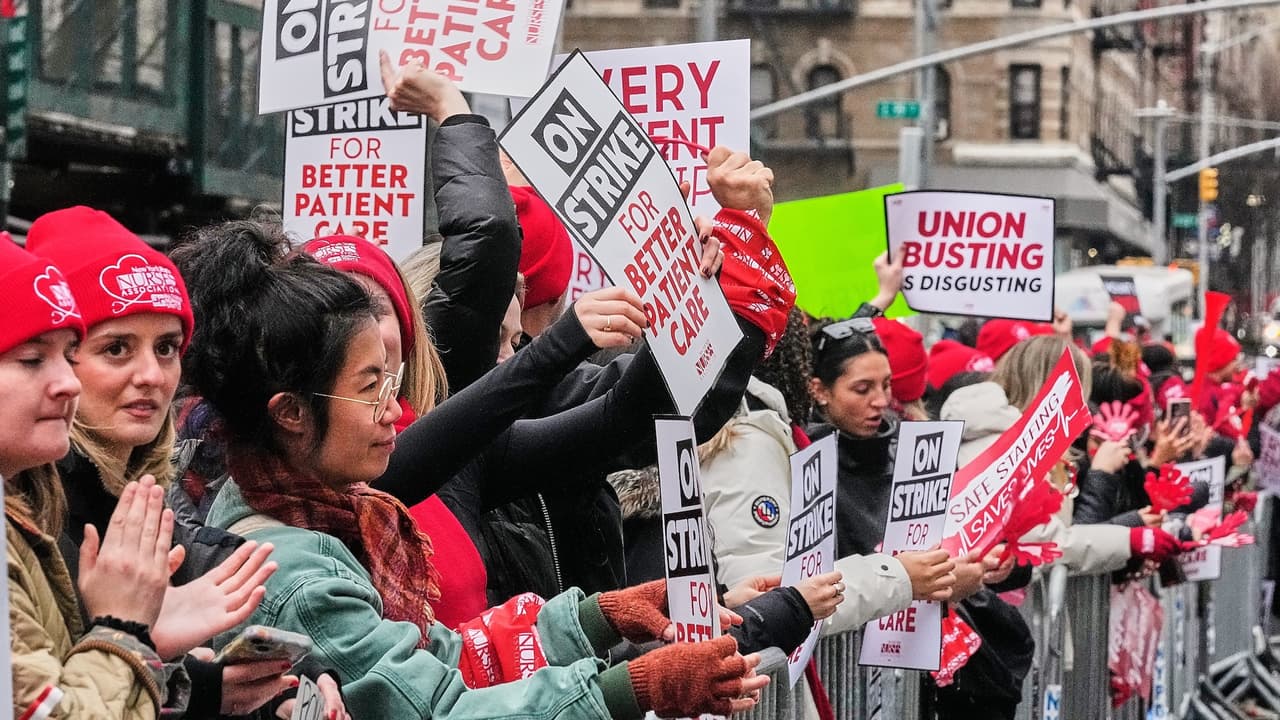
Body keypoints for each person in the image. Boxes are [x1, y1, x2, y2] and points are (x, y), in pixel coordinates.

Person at [176, 221, 767, 719]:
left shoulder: (319, 510)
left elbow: (448, 655)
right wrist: (634, 688)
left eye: (391, 380)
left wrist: (601, 616)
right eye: (369, 387)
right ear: (291, 413)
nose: (392, 409)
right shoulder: (297, 578)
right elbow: (441, 707)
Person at [0, 237, 272, 719]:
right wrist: (124, 631)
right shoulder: (38, 510)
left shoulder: (31, 515)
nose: (67, 382)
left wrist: (162, 663)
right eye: (33, 359)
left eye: (167, 348)